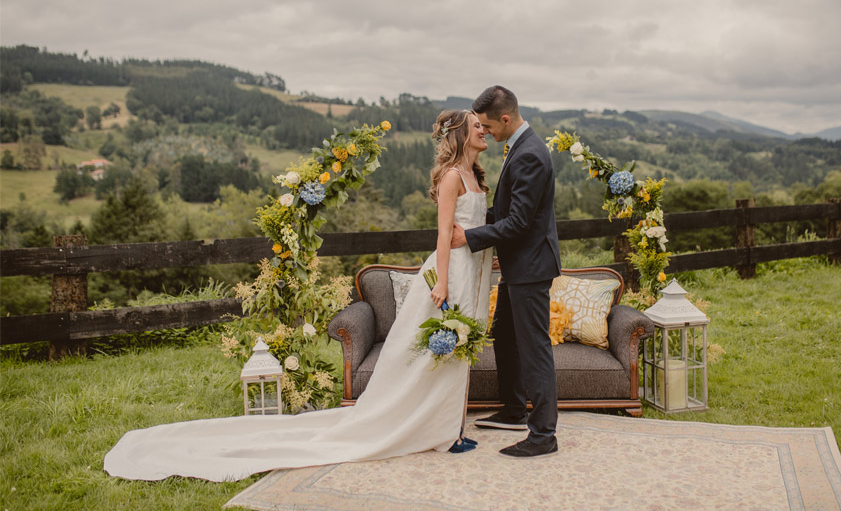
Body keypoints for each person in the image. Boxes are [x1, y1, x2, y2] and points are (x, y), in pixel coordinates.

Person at [104, 109, 493, 482]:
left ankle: (450, 427)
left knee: (457, 351)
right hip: (450, 274)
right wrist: (441, 282)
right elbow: (443, 234)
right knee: (440, 350)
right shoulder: (452, 178)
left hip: (471, 273)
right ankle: (438, 430)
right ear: (460, 134)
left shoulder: (475, 176)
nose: (484, 130)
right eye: (477, 125)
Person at [450, 85, 562, 459]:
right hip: (521, 265)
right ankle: (514, 408)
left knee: (534, 349)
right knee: (504, 334)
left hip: (531, 267)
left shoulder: (530, 153)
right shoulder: (521, 147)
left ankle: (543, 434)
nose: (485, 132)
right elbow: (509, 211)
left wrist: (469, 236)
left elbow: (517, 223)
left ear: (505, 119)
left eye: (487, 125)